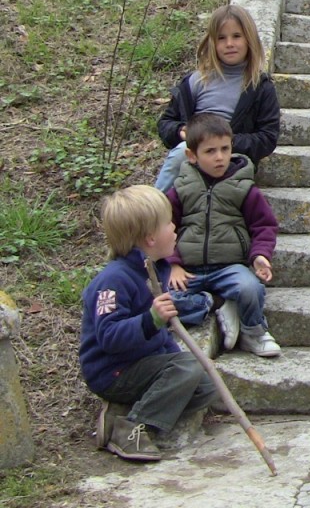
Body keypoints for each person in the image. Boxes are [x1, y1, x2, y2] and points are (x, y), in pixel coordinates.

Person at [80, 185, 217, 462]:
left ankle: (122, 411)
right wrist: (150, 319)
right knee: (188, 368)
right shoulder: (114, 281)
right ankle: (131, 429)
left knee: (205, 384)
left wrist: (179, 362)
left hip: (144, 362)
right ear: (150, 238)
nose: (175, 227)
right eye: (168, 223)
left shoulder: (155, 269)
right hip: (113, 370)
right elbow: (109, 337)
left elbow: (161, 336)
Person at [165, 112, 281, 358]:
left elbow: (264, 226)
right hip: (189, 270)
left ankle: (253, 331)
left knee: (251, 288)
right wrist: (173, 263)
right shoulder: (180, 188)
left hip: (229, 267)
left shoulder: (244, 187)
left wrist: (260, 255)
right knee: (163, 300)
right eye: (210, 151)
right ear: (191, 156)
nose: (220, 157)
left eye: (225, 149)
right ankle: (215, 303)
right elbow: (165, 226)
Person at [155, 4, 280, 192]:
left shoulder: (260, 87)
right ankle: (151, 211)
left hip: (234, 162)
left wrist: (223, 144)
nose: (229, 43)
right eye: (221, 38)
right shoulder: (194, 82)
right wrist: (181, 131)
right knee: (181, 154)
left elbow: (267, 138)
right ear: (212, 42)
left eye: (236, 36)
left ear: (249, 40)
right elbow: (165, 123)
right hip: (192, 156)